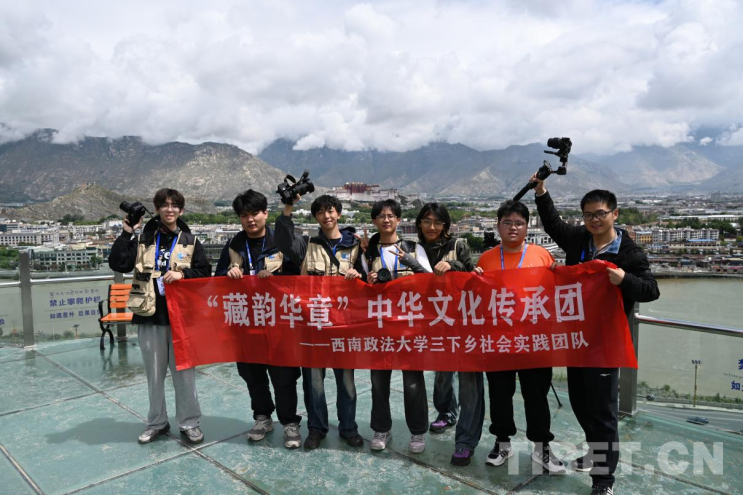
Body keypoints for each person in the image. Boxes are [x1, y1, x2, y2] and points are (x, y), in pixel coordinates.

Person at [531, 175, 660, 495]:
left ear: (614, 213)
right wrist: (541, 192)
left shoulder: (629, 253)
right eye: (588, 215)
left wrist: (624, 279)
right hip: (576, 339)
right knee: (580, 402)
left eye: (600, 214)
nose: (594, 220)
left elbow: (651, 290)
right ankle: (595, 450)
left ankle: (603, 480)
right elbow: (554, 225)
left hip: (604, 342)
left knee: (603, 412)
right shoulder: (580, 240)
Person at [461, 200, 565, 473]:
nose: (513, 228)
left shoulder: (542, 255)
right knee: (499, 394)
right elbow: (478, 300)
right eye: (507, 222)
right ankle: (502, 442)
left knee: (537, 395)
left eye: (519, 223)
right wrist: (474, 280)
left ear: (527, 226)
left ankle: (541, 447)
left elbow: (556, 294)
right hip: (499, 340)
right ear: (498, 226)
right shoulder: (487, 259)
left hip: (534, 340)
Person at [109, 188, 211, 445]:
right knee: (154, 375)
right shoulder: (143, 239)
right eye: (164, 205)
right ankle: (157, 422)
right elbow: (119, 263)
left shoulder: (191, 241)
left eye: (174, 205)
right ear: (156, 209)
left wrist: (183, 274)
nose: (169, 209)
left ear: (181, 210)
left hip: (182, 318)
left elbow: (204, 273)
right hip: (149, 315)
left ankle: (189, 423)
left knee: (185, 375)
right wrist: (127, 232)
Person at [274, 193, 366, 450]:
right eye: (321, 212)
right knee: (313, 383)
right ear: (316, 217)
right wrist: (288, 206)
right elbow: (282, 240)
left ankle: (348, 428)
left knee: (346, 383)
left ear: (339, 213)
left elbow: (368, 281)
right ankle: (316, 429)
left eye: (331, 211)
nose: (327, 216)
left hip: (343, 327)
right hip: (312, 326)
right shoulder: (306, 245)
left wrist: (359, 274)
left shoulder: (356, 247)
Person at [214, 189, 302, 449]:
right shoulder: (233, 246)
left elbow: (298, 277)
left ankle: (290, 422)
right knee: (252, 375)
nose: (250, 219)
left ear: (265, 213)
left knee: (284, 376)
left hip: (279, 322)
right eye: (244, 215)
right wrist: (228, 274)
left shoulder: (281, 242)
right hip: (245, 323)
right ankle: (262, 417)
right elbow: (216, 281)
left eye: (255, 213)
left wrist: (276, 279)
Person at [364, 199, 429, 454]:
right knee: (378, 382)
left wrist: (410, 264)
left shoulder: (413, 248)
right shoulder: (368, 252)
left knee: (413, 383)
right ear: (374, 221)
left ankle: (418, 431)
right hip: (379, 327)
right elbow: (356, 288)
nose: (386, 220)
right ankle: (381, 429)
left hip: (409, 327)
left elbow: (430, 280)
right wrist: (367, 281)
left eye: (391, 215)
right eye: (381, 216)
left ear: (399, 220)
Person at [414, 203, 475, 460]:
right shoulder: (414, 249)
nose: (432, 227)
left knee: (455, 370)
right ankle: (446, 411)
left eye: (437, 222)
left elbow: (472, 274)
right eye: (427, 221)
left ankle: (452, 415)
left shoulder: (457, 245)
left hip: (455, 316)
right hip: (426, 317)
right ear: (419, 223)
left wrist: (453, 266)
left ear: (445, 225)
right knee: (441, 370)